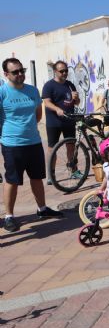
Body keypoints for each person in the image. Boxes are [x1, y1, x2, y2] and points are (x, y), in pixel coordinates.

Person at [1, 58, 63, 233]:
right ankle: (9, 216)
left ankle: (42, 209)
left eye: (22, 70)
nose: (20, 74)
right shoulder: (2, 92)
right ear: (6, 74)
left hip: (34, 142)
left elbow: (37, 114)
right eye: (15, 72)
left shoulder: (32, 91)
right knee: (12, 180)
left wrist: (28, 130)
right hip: (12, 144)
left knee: (37, 177)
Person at [42, 60, 80, 185]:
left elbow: (77, 103)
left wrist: (76, 99)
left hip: (69, 120)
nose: (64, 73)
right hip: (54, 122)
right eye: (61, 71)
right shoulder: (49, 85)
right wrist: (57, 109)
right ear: (55, 71)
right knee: (52, 149)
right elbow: (47, 102)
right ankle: (51, 175)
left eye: (66, 71)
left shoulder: (70, 85)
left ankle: (73, 170)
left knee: (71, 146)